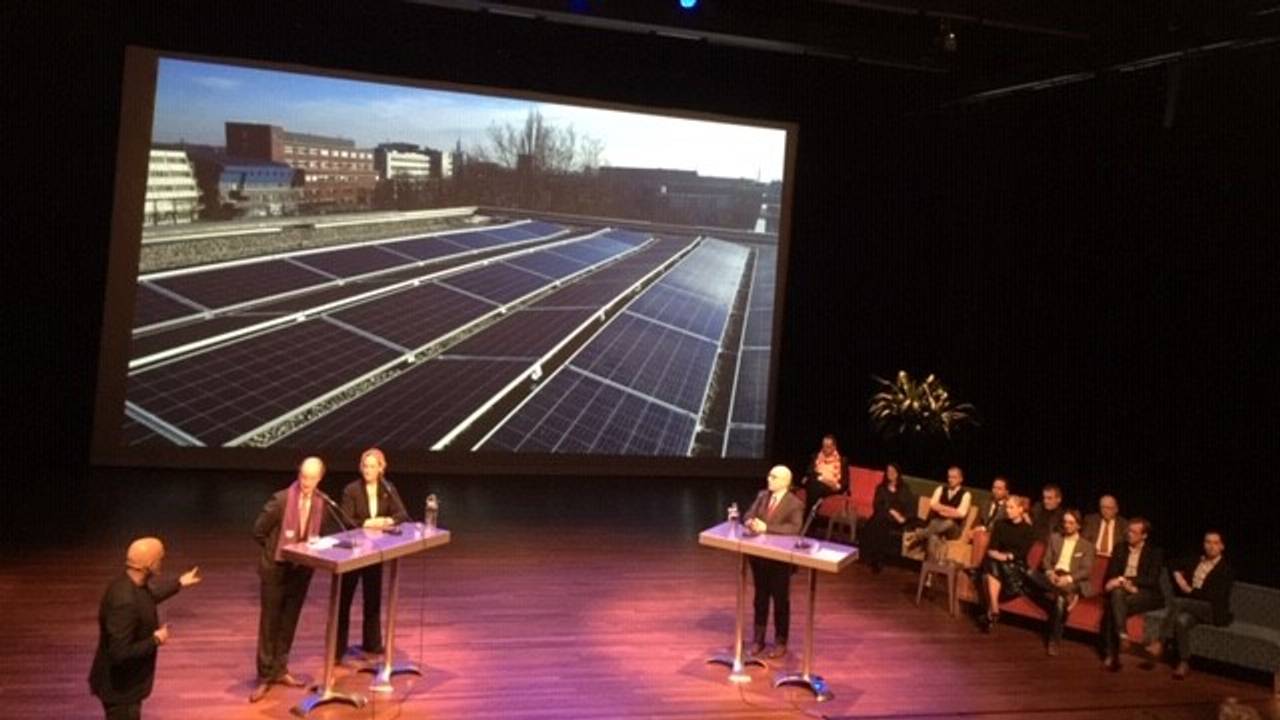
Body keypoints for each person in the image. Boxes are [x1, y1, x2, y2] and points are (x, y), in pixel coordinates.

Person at [89, 537, 201, 720]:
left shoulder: (129, 584)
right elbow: (119, 652)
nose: (162, 562)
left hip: (125, 686)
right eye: (159, 559)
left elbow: (147, 598)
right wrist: (155, 639)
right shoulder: (124, 601)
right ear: (149, 564)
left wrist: (179, 583)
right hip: (121, 690)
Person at [250, 457, 329, 703]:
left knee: (289, 621)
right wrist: (277, 552)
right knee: (270, 623)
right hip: (276, 568)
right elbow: (259, 531)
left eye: (311, 478)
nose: (306, 482)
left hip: (301, 570)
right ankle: (264, 676)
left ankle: (280, 669)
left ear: (319, 479)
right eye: (303, 476)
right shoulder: (281, 500)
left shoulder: (321, 503)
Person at [335, 448, 410, 663]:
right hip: (353, 552)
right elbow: (346, 520)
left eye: (372, 466)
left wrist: (387, 521)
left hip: (375, 551)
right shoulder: (351, 490)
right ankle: (338, 648)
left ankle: (372, 643)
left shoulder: (387, 488)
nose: (367, 470)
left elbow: (402, 514)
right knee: (344, 601)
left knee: (373, 598)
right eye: (365, 466)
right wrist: (368, 523)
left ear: (381, 468)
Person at [1146, 531, 1235, 679]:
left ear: (1222, 547)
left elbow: (1213, 596)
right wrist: (1178, 577)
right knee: (1181, 621)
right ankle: (1184, 662)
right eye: (1208, 542)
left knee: (1178, 602)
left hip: (1213, 610)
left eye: (1215, 543)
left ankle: (1160, 642)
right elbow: (1172, 563)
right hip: (1193, 607)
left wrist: (1189, 590)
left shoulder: (1226, 570)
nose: (1211, 546)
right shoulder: (1197, 561)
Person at [743, 465, 804, 659]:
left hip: (779, 560)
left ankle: (780, 641)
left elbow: (794, 529)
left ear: (785, 482)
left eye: (774, 477)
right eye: (769, 475)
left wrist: (766, 527)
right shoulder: (762, 496)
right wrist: (751, 523)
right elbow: (748, 515)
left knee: (780, 601)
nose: (769, 479)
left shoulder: (795, 503)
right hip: (759, 557)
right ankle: (758, 639)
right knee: (760, 599)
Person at [1026, 508, 1095, 656]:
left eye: (1071, 523)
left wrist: (1068, 579)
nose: (1067, 525)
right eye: (1065, 522)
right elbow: (1046, 561)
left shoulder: (1087, 546)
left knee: (1059, 602)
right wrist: (1050, 573)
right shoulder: (1055, 538)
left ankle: (1054, 641)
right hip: (1053, 576)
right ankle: (1069, 596)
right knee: (1030, 573)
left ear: (1078, 525)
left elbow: (1086, 570)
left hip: (1071, 578)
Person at [1100, 517, 1165, 670]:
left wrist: (1126, 581)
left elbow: (1151, 580)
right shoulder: (1120, 548)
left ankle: (1111, 654)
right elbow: (1111, 574)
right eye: (1129, 531)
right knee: (1116, 596)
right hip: (1123, 591)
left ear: (1144, 535)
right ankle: (1122, 637)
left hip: (1147, 594)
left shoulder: (1155, 552)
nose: (1130, 534)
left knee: (1113, 607)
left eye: (1134, 532)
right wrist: (1122, 583)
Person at [974, 495, 1035, 633]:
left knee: (988, 571)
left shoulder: (1028, 529)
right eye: (1006, 507)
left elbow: (1022, 553)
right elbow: (992, 548)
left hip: (1015, 567)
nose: (1007, 510)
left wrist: (1005, 557)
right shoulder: (1000, 524)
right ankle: (994, 609)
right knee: (991, 562)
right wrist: (998, 556)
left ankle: (991, 611)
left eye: (1011, 507)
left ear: (1021, 509)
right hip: (996, 561)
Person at [859, 462, 917, 573]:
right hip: (883, 516)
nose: (891, 474)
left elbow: (911, 507)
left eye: (893, 472)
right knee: (879, 521)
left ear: (898, 473)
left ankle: (874, 558)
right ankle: (877, 559)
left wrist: (903, 518)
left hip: (898, 520)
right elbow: (877, 505)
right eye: (888, 471)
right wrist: (891, 511)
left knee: (877, 522)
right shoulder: (881, 488)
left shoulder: (905, 489)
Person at [905, 466, 971, 563]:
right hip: (936, 524)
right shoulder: (940, 489)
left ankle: (919, 535)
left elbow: (961, 513)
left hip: (953, 529)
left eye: (954, 477)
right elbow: (933, 504)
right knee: (933, 537)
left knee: (949, 522)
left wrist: (943, 509)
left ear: (961, 479)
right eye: (949, 477)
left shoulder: (966, 494)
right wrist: (951, 510)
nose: (951, 480)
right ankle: (929, 573)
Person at [802, 434, 848, 525]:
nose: (825, 449)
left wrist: (834, 484)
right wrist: (820, 478)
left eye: (828, 447)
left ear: (834, 447)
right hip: (817, 484)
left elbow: (845, 482)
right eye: (823, 446)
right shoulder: (816, 456)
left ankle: (807, 519)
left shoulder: (842, 460)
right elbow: (810, 472)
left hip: (832, 486)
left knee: (815, 487)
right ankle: (811, 519)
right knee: (816, 486)